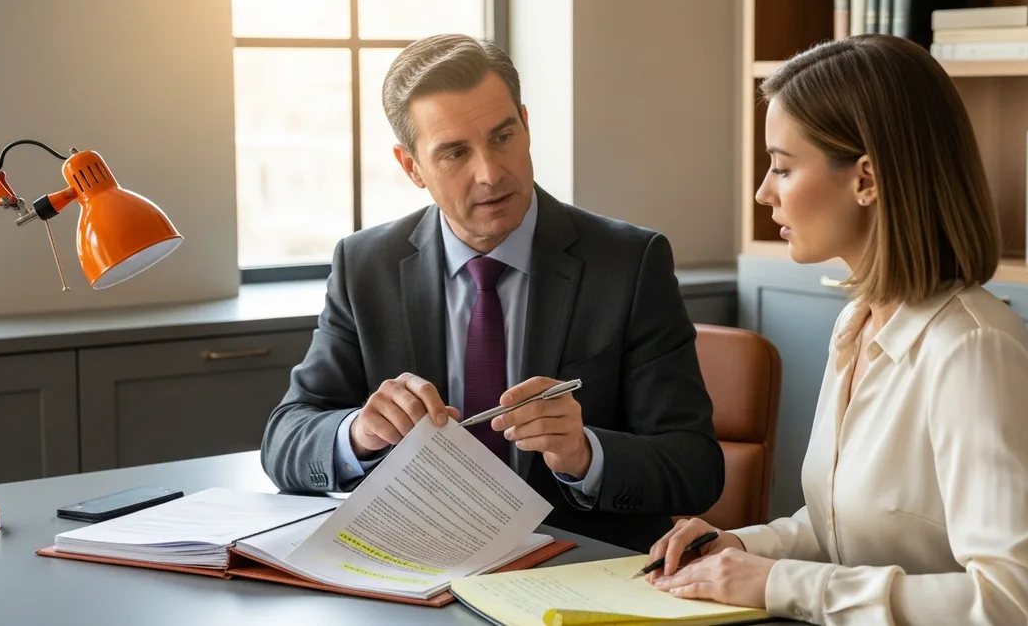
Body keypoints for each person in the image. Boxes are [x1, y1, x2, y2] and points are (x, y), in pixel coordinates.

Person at [647, 34, 1028, 625]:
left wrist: (782, 583)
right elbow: (846, 528)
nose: (763, 191)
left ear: (866, 180)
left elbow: (1020, 603)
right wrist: (746, 548)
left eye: (782, 166)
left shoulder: (974, 350)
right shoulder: (857, 325)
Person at [259, 33, 724, 552]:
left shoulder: (629, 263)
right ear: (412, 167)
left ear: (525, 126)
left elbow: (696, 467)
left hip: (574, 571)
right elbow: (285, 439)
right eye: (455, 153)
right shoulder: (366, 265)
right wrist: (359, 434)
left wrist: (585, 454)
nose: (490, 174)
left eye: (502, 137)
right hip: (416, 570)